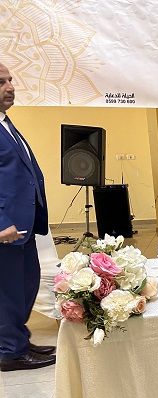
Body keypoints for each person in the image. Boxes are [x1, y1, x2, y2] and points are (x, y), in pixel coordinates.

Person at [0, 62, 56, 372]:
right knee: (8, 293)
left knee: (26, 286)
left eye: (10, 80)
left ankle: (18, 340)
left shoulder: (5, 122)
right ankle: (11, 352)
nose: (10, 87)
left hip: (23, 225)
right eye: (1, 82)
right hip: (6, 228)